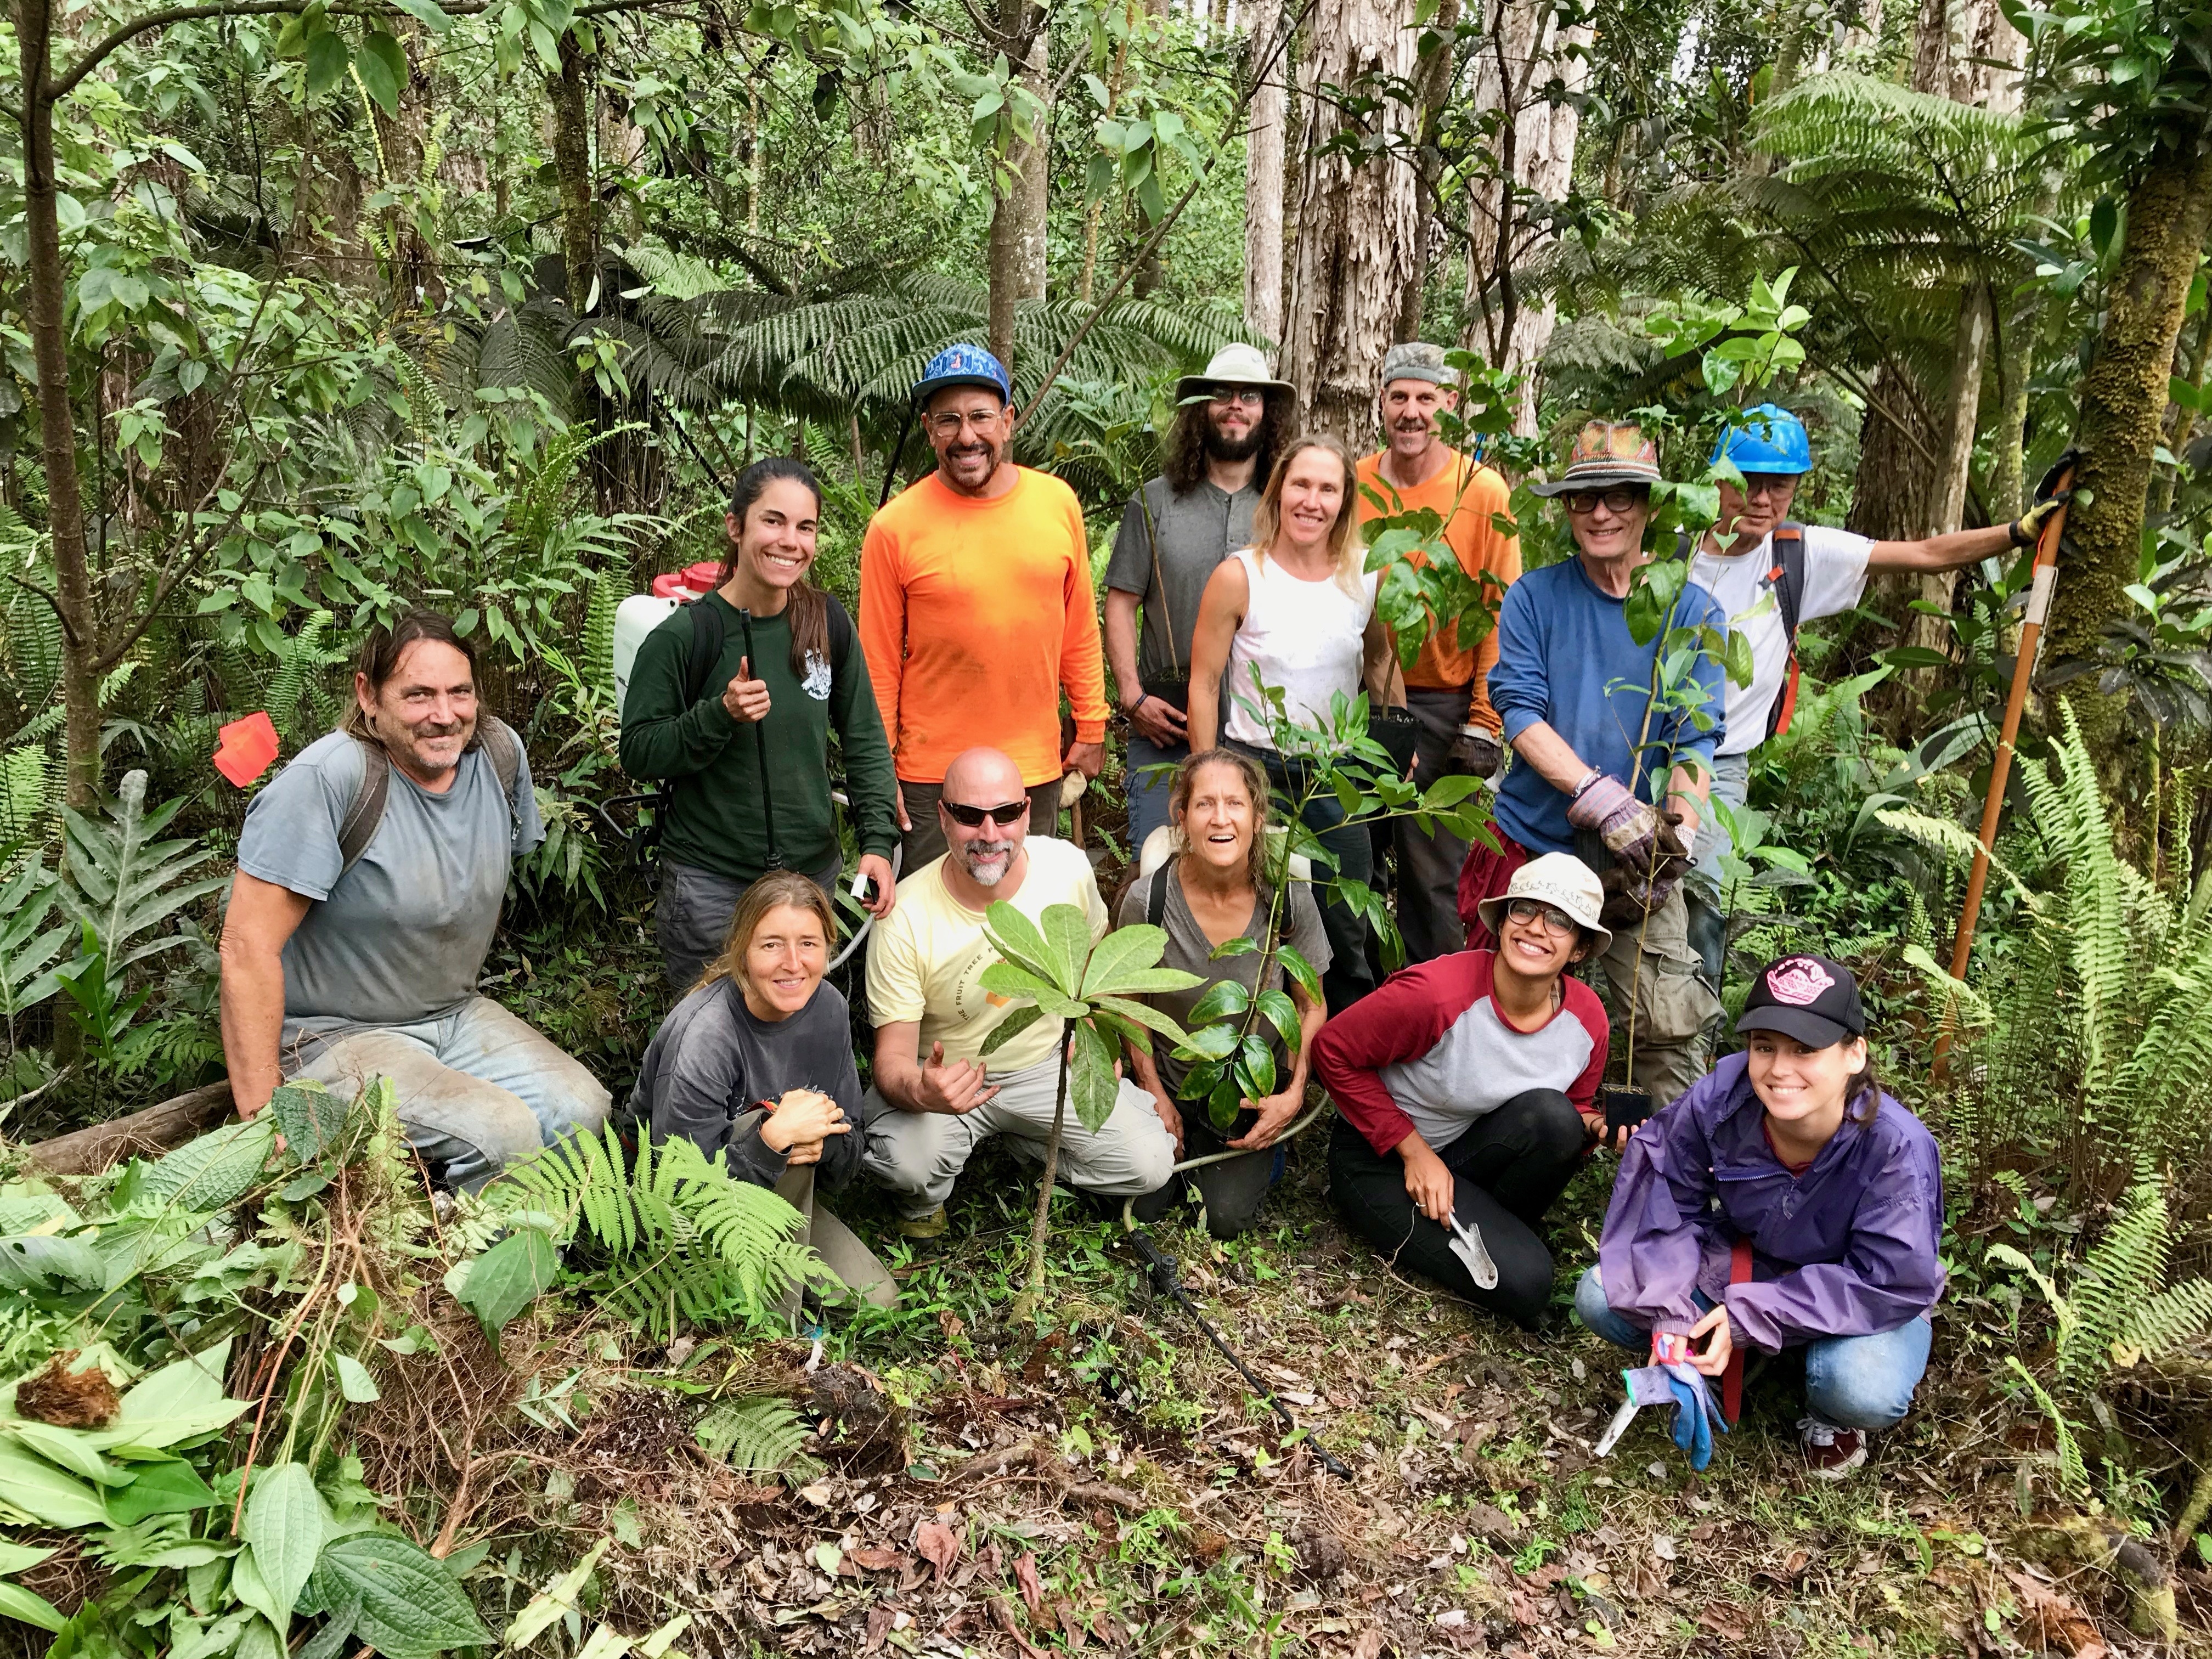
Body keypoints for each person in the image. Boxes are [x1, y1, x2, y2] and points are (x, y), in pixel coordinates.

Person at [218, 610, 609, 1190]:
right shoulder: (331, 779)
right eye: (418, 695)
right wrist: (265, 1118)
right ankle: (457, 1269)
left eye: (460, 693)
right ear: (368, 695)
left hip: (452, 1015)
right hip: (330, 1036)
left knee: (582, 1111)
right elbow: (246, 948)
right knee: (502, 1133)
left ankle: (514, 1249)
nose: (444, 715)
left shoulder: (498, 756)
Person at [1681, 405, 2070, 976]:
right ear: (1718, 479)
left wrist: (2018, 532)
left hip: (1723, 763)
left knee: (1699, 902)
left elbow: (1924, 553)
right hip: (1645, 749)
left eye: (1779, 485)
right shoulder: (1672, 556)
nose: (1761, 500)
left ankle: (1690, 1040)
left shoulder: (1796, 553)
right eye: (1749, 482)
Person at [1576, 952, 1944, 1479]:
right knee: (1600, 1295)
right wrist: (1673, 1309)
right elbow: (1664, 1195)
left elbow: (1890, 1279)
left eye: (1806, 1049)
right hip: (1751, 1263)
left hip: (1857, 1296)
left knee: (1860, 1387)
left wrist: (1754, 1315)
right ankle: (1712, 1347)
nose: (1779, 1069)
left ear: (1854, 1054)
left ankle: (1824, 1404)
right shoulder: (1724, 1097)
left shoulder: (1895, 1149)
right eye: (1764, 1046)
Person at [1458, 420, 1728, 1105]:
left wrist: (1679, 836)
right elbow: (1518, 711)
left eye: (1621, 496)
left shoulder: (1693, 611)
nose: (1603, 512)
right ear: (1567, 509)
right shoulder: (1535, 598)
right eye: (1585, 499)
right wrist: (1599, 796)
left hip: (1642, 854)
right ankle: (1503, 1140)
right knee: (1507, 1005)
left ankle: (1675, 1172)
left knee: (1664, 1022)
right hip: (1540, 840)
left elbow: (1695, 737)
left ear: (1651, 506)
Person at [861, 747, 1178, 1238]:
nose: (990, 834)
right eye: (969, 816)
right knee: (904, 1164)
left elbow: (1093, 959)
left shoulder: (1067, 869)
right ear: (943, 818)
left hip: (1047, 1063)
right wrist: (923, 1089)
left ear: (1027, 813)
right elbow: (892, 1060)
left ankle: (1028, 1146)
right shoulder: (905, 916)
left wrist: (1090, 1028)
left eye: (1006, 813)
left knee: (1149, 1163)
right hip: (952, 1077)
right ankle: (929, 1198)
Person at [620, 458, 900, 989]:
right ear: (736, 526)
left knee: (799, 1033)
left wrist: (877, 846)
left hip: (808, 883)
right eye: (773, 521)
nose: (789, 541)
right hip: (710, 887)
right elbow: (637, 750)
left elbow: (864, 738)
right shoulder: (687, 636)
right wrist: (718, 716)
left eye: (805, 527)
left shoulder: (826, 622)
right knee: (708, 1043)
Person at [1313, 855, 1612, 1327]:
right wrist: (1413, 1152)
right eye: (1524, 910)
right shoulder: (1438, 995)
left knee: (1557, 1119)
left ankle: (1494, 1228)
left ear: (1578, 949)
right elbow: (1332, 1050)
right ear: (1502, 920)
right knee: (1530, 1285)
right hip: (1380, 1158)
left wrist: (1600, 1125)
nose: (1537, 927)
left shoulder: (1588, 1019)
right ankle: (1494, 1241)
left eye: (1559, 920)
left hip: (1465, 1148)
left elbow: (1572, 1106)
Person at [859, 346, 1109, 870]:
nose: (966, 436)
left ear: (1008, 421)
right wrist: (880, 773)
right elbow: (877, 665)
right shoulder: (894, 527)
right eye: (948, 421)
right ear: (929, 430)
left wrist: (1091, 726)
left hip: (1031, 769)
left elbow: (1079, 631)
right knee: (928, 918)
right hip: (932, 775)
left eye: (980, 417)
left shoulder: (1057, 504)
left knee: (1022, 914)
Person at [1187, 435, 1401, 1012]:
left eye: (1327, 488)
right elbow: (1205, 682)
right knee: (1256, 912)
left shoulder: (1366, 576)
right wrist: (1208, 778)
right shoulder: (1241, 575)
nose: (1312, 500)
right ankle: (1255, 1034)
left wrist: (1394, 738)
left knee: (1345, 914)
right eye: (1301, 485)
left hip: (1337, 773)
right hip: (1254, 767)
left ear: (1345, 500)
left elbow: (1380, 661)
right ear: (1279, 491)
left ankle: (1345, 1056)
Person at [628, 870, 897, 1309]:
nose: (793, 963)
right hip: (669, 1211)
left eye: (808, 943)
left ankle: (769, 1285)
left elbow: (851, 1149)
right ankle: (773, 1330)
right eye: (771, 944)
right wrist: (772, 1141)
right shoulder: (706, 1034)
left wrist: (822, 1143)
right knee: (780, 1123)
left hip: (776, 1194)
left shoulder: (829, 1008)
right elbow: (675, 1189)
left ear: (828, 947)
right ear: (743, 950)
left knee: (878, 1299)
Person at [1355, 342, 1522, 962]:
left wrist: (1485, 718)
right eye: (1400, 396)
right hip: (1364, 697)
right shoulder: (1357, 480)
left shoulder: (1481, 491)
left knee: (1433, 880)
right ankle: (1360, 1011)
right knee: (1358, 863)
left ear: (1450, 407)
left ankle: (1439, 1017)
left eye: (1426, 398)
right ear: (1382, 402)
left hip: (1445, 702)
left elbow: (1499, 609)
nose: (1412, 411)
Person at [1121, 749, 1330, 1238]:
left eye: (1235, 804)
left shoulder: (1287, 899)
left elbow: (1311, 1004)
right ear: (1182, 818)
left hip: (1249, 1090)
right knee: (1145, 1204)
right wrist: (1152, 1091)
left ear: (1258, 818)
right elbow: (1129, 1004)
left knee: (1224, 1219)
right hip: (1171, 1078)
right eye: (1204, 804)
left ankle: (1262, 1154)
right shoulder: (1147, 899)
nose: (1221, 819)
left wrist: (1294, 1094)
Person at [1104, 343, 1292, 848]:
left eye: (1249, 396)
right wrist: (1131, 695)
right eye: (1222, 395)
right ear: (1200, 410)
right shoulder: (1155, 501)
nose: (1235, 406)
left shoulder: (1291, 508)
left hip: (1266, 735)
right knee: (1162, 862)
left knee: (1264, 880)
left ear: (1266, 413)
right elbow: (1121, 602)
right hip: (1169, 727)